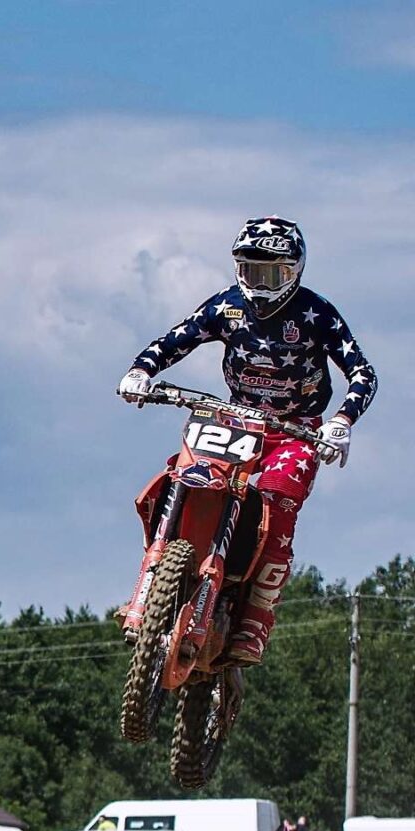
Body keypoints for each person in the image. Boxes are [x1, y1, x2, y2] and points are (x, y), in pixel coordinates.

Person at [118, 217, 377, 665]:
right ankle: (153, 584)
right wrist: (142, 370)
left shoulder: (316, 314)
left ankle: (256, 620)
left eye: (272, 274)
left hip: (296, 430)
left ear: (294, 271)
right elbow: (176, 339)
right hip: (237, 420)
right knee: (182, 478)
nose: (259, 283)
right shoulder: (227, 306)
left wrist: (342, 421)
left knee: (277, 508)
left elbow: (362, 373)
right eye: (250, 270)